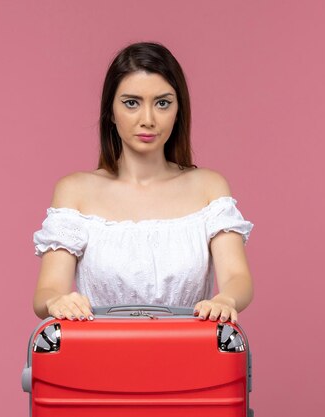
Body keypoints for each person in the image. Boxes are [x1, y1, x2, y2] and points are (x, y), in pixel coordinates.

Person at [32, 41, 254, 324]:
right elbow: (47, 291)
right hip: (98, 358)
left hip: (191, 357)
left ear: (178, 110)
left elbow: (237, 277)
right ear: (111, 111)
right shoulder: (74, 191)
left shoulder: (209, 188)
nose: (147, 119)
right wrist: (57, 300)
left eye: (162, 103)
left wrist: (226, 299)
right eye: (131, 103)